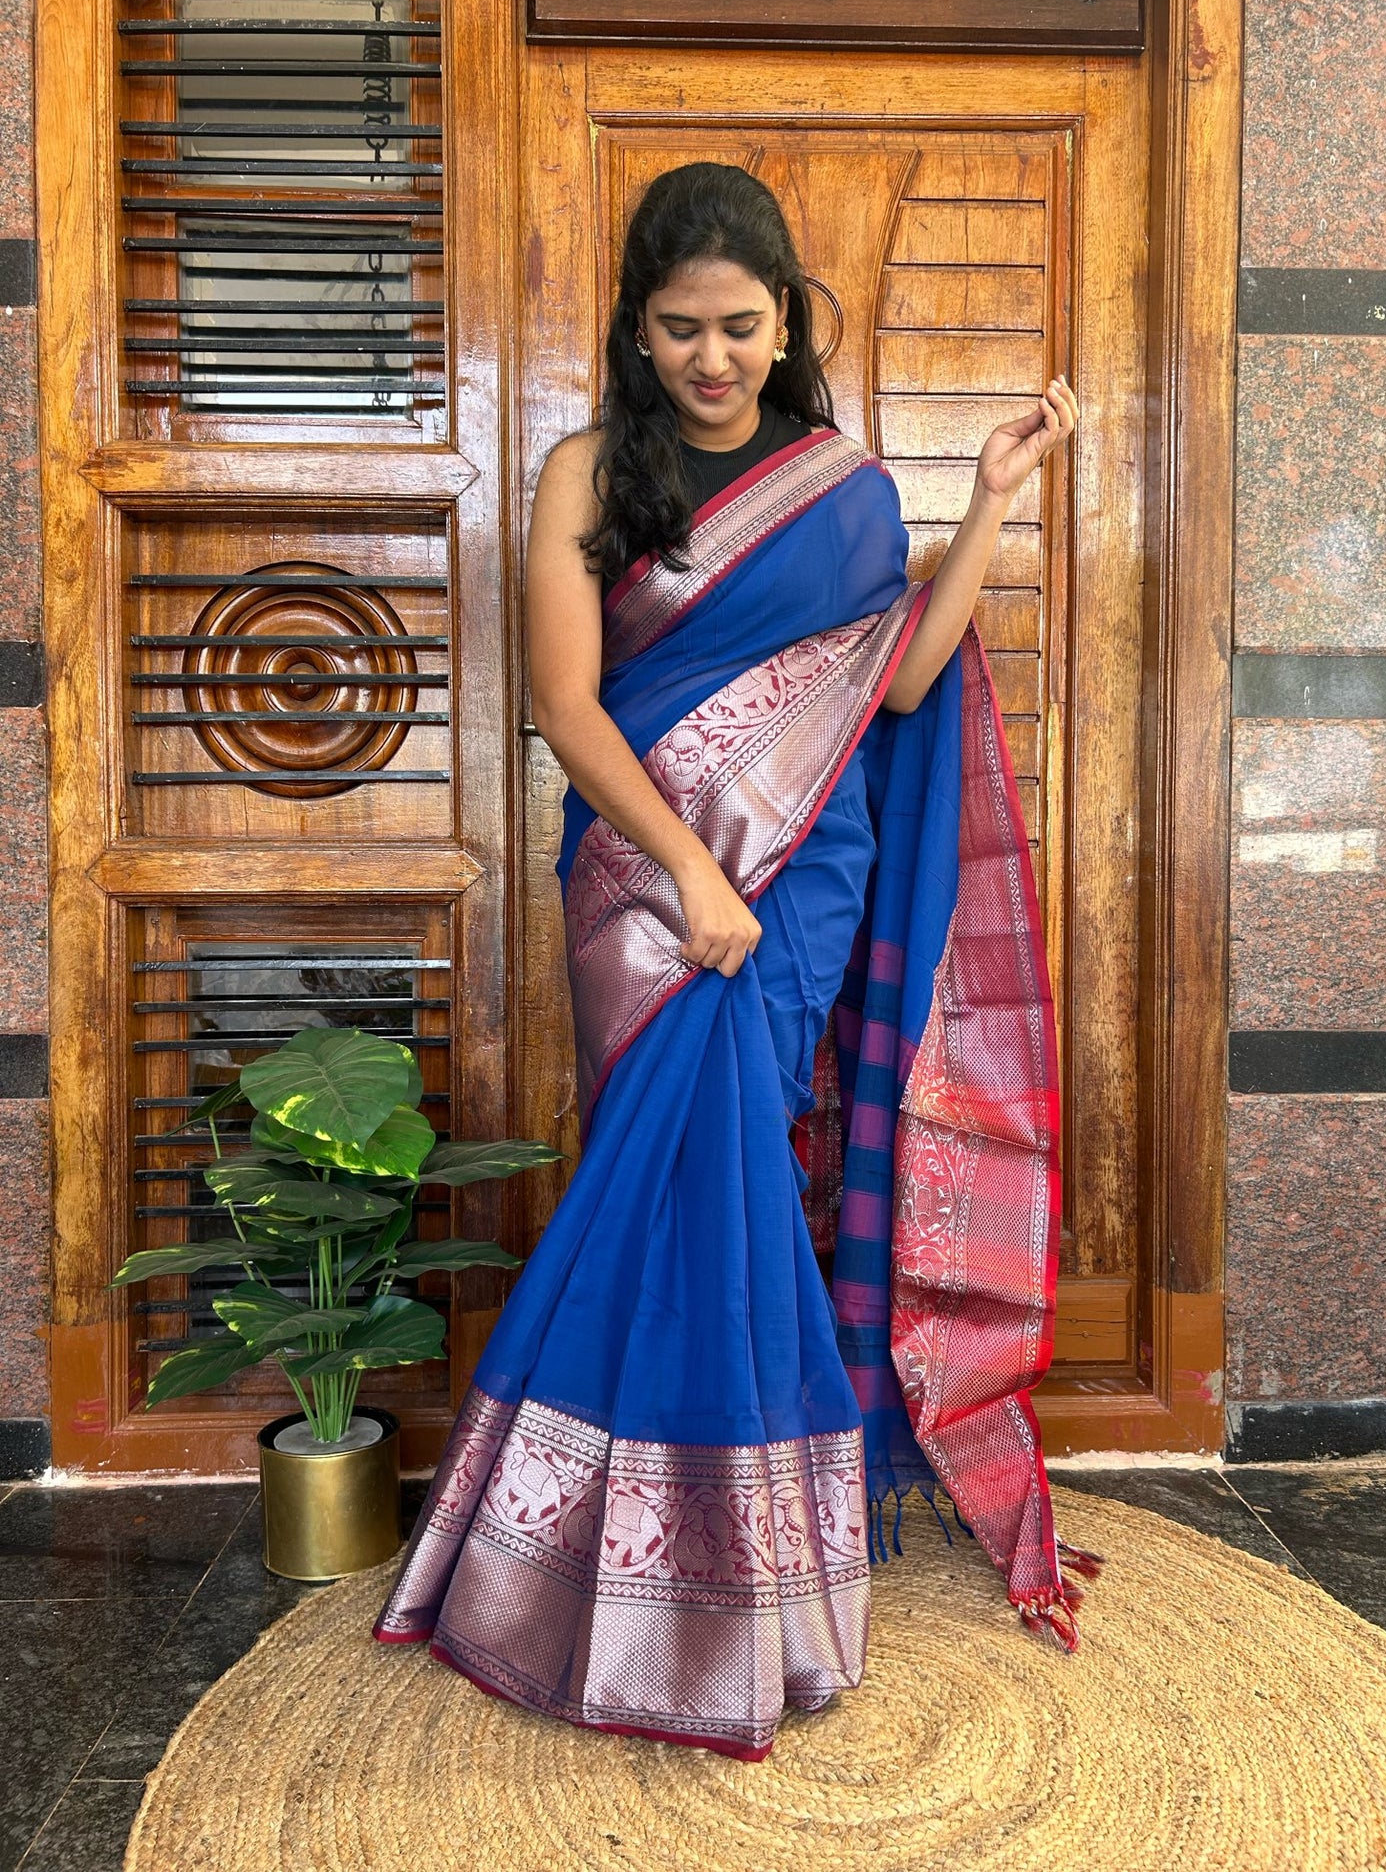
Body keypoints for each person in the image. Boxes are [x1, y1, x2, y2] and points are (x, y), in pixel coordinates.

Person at [373, 161, 1090, 1761]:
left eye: (739, 328)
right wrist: (692, 870)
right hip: (648, 877)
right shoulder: (579, 477)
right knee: (666, 1179)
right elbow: (566, 707)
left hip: (795, 885)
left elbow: (897, 690)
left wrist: (983, 505)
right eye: (680, 328)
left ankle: (713, 1584)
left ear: (784, 329)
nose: (710, 357)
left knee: (733, 1190)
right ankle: (605, 1575)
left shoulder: (838, 491)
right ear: (637, 329)